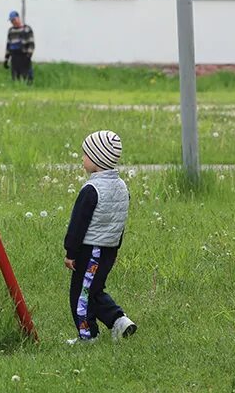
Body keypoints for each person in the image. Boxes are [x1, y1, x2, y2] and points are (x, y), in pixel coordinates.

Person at [64, 130, 137, 344]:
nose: (82, 158)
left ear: (96, 159)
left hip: (90, 250)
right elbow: (119, 220)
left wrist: (70, 251)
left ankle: (88, 335)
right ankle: (119, 321)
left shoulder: (91, 189)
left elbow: (78, 224)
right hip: (110, 249)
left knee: (81, 294)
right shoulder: (122, 187)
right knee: (94, 289)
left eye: (85, 154)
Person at [4, 10, 35, 83]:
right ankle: (17, 87)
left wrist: (28, 56)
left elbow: (31, 44)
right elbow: (8, 45)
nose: (13, 22)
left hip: (24, 56)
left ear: (18, 18)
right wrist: (6, 59)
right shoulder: (11, 31)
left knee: (27, 76)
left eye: (14, 19)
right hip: (14, 57)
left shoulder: (27, 29)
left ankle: (28, 89)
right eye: (11, 20)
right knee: (15, 76)